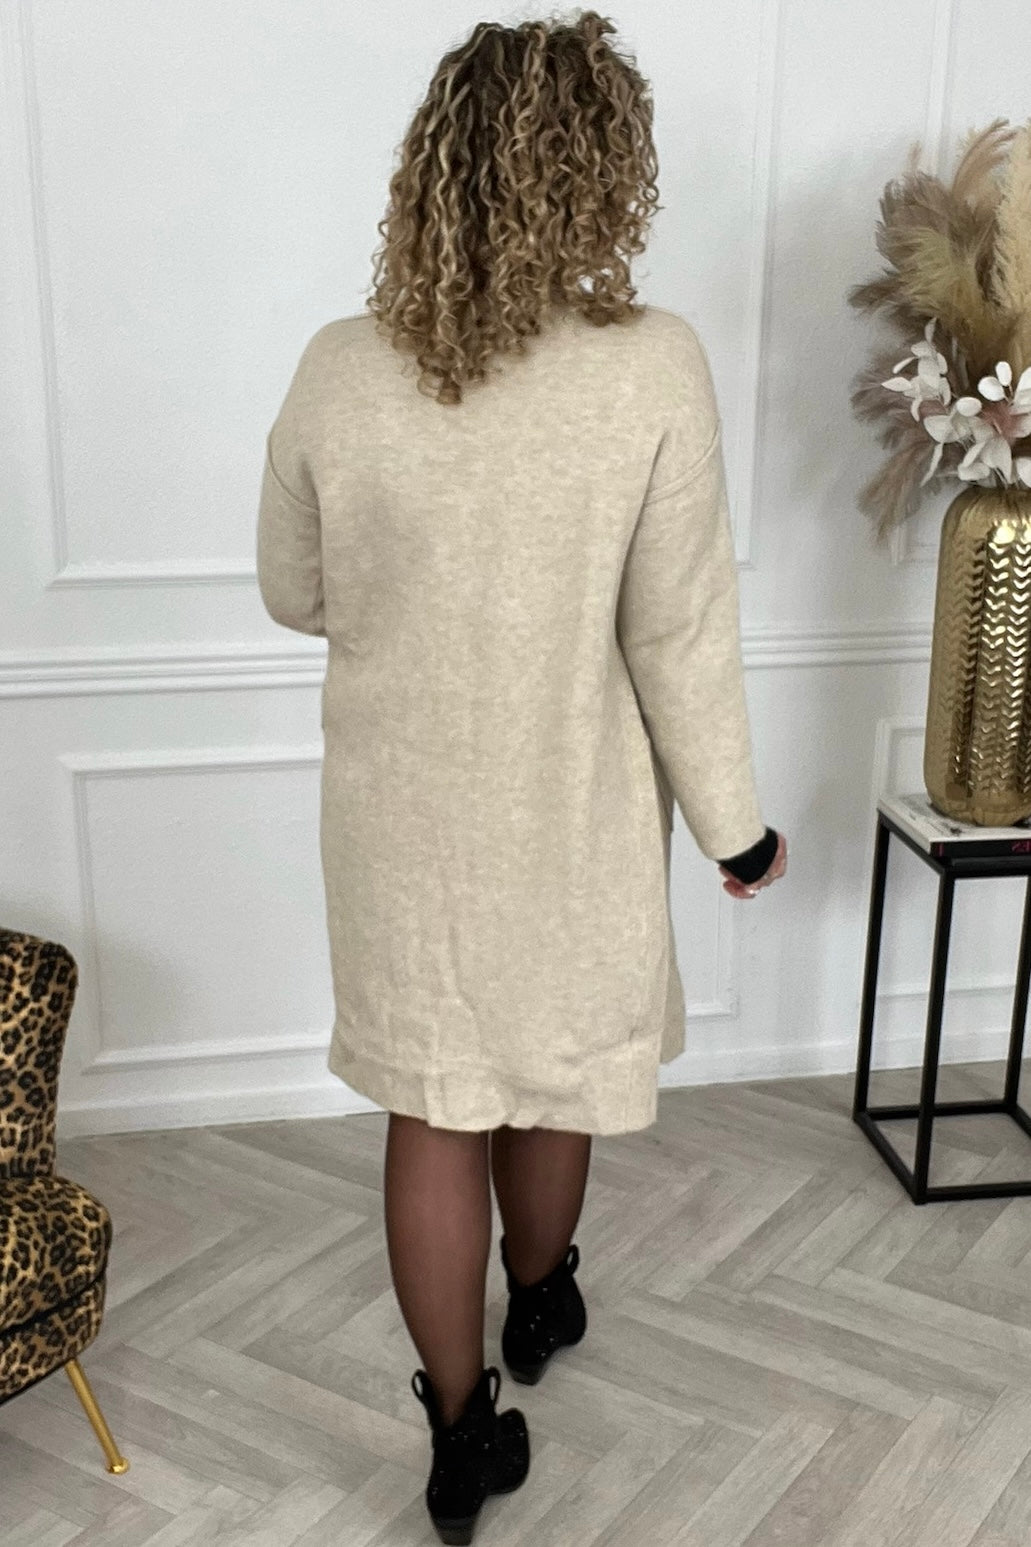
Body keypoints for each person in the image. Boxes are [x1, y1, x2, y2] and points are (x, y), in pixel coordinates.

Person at [256, 10, 787, 1542]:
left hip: (398, 818)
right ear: (606, 173)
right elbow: (678, 629)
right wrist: (736, 829)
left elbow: (294, 590)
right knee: (552, 1071)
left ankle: (457, 1432)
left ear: (435, 164)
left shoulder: (341, 366)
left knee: (435, 1106)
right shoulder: (653, 367)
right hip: (571, 807)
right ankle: (541, 1301)